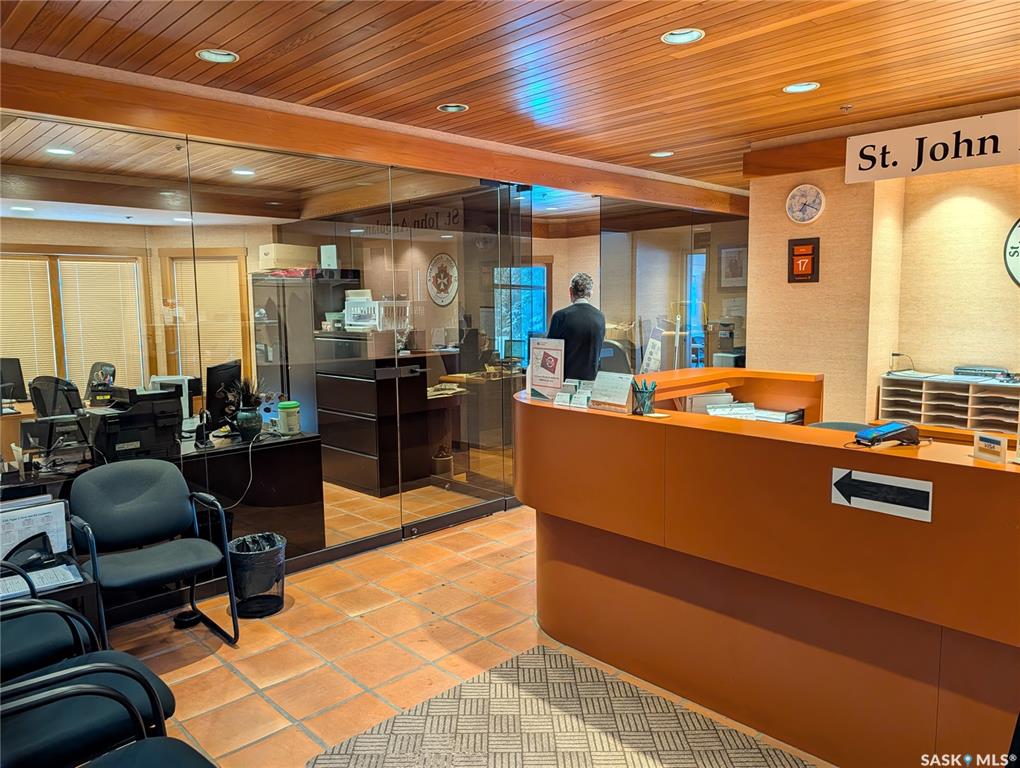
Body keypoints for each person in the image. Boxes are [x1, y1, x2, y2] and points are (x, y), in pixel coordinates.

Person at [546, 272, 606, 381]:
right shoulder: (600, 317)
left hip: (565, 382)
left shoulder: (560, 317)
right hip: (592, 382)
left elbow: (549, 354)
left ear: (570, 291)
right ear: (590, 293)